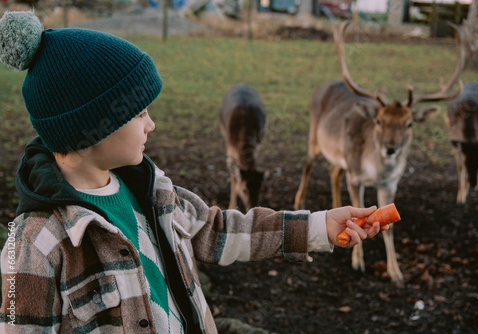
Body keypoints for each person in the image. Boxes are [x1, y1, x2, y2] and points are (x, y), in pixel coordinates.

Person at [0, 11, 387, 333]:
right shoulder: (34, 244)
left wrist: (320, 226)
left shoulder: (153, 193)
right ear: (90, 130)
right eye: (139, 113)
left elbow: (219, 231)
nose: (150, 124)